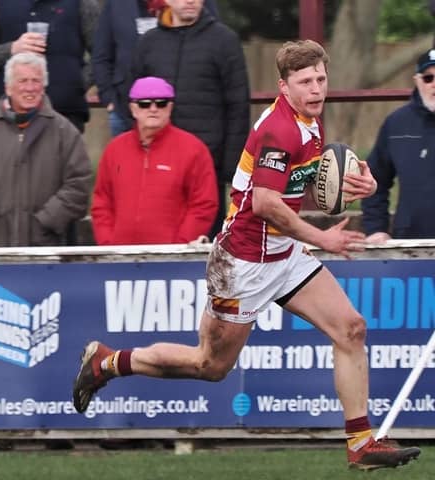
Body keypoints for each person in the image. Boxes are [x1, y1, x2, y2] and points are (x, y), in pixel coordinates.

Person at [73, 40, 422, 471]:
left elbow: (300, 186)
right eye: (305, 82)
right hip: (243, 263)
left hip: (282, 254)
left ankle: (361, 443)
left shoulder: (310, 119)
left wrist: (353, 186)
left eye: (320, 79)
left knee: (350, 329)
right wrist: (323, 238)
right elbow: (266, 203)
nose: (316, 89)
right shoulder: (280, 130)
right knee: (210, 365)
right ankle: (107, 362)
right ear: (283, 86)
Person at [130, 0, 250, 238]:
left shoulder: (224, 41)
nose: (190, 1)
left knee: (205, 245)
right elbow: (134, 98)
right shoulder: (148, 43)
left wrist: (231, 169)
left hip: (207, 165)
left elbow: (238, 106)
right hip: (156, 165)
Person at [0, 53, 92, 247]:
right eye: (23, 80)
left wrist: (46, 222)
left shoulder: (65, 132)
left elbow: (79, 185)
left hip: (49, 252)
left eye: (36, 81)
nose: (30, 87)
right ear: (8, 87)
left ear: (44, 86)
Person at [92, 76, 218, 245]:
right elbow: (102, 202)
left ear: (170, 107)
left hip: (172, 262)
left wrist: (180, 245)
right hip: (119, 259)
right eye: (144, 103)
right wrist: (108, 244)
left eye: (161, 103)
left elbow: (204, 204)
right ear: (133, 108)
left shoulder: (194, 150)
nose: (153, 109)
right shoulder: (114, 150)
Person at [92, 0, 219, 137]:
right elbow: (101, 54)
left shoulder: (192, 3)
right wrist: (109, 98)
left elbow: (213, 41)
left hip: (185, 110)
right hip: (125, 109)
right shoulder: (116, 4)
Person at [0, 0, 100, 133]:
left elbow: (102, 55)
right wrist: (12, 49)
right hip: (12, 117)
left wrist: (77, 85)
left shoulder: (83, 2)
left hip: (67, 113)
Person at [361, 48, 435, 242]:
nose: (434, 84)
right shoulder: (397, 123)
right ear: (417, 81)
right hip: (412, 246)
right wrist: (376, 229)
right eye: (429, 78)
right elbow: (374, 179)